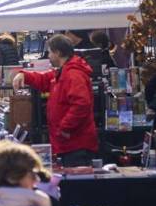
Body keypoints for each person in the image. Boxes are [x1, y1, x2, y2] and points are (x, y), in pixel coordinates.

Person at [13, 34, 97, 167]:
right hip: (69, 143)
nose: (48, 56)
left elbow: (81, 104)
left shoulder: (73, 74)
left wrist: (65, 128)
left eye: (50, 52)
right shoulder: (63, 72)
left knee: (76, 183)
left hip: (75, 144)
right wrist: (24, 74)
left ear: (58, 52)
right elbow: (44, 80)